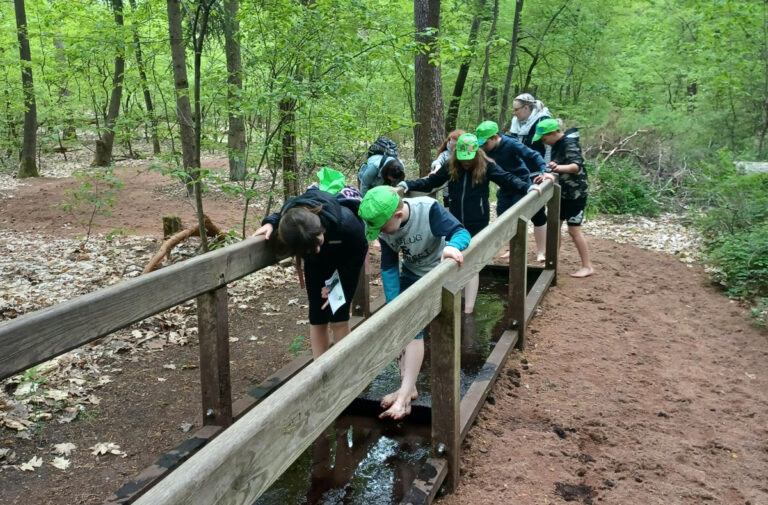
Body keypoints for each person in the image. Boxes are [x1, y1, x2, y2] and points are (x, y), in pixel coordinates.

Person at [358, 186, 470, 420]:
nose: (381, 234)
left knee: (413, 333)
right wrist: (393, 305)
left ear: (397, 215)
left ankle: (403, 398)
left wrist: (451, 247)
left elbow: (461, 233)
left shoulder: (428, 210)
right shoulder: (385, 227)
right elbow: (388, 267)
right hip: (410, 275)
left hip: (436, 275)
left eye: (382, 228)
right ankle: (408, 388)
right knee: (401, 330)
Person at [398, 133, 541, 313]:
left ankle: (468, 309)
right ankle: (456, 298)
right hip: (456, 221)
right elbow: (431, 183)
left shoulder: (486, 166)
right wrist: (408, 185)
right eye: (462, 158)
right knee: (456, 259)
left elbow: (507, 179)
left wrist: (527, 186)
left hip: (477, 220)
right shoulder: (451, 166)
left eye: (469, 158)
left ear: (476, 154)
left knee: (472, 262)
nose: (466, 162)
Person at [253, 169, 369, 358]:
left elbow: (358, 254)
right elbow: (282, 215)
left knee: (338, 313)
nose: (315, 249)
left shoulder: (347, 224)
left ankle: (344, 368)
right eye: (309, 248)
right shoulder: (294, 219)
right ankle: (319, 370)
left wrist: (336, 285)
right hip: (316, 265)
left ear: (320, 228)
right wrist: (270, 223)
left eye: (318, 242)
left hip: (344, 261)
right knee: (317, 315)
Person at [476, 120, 549, 261]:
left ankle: (541, 251)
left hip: (522, 184)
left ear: (495, 137)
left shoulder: (511, 144)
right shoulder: (484, 150)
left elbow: (533, 155)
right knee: (504, 217)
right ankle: (513, 248)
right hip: (505, 187)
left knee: (532, 216)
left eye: (485, 143)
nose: (483, 147)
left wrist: (544, 170)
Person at [532, 118, 594, 278]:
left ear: (553, 133)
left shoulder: (569, 144)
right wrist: (549, 171)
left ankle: (587, 266)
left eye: (544, 139)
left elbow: (575, 166)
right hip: (562, 193)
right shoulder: (556, 145)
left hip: (575, 195)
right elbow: (557, 164)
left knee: (574, 230)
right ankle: (552, 261)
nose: (544, 143)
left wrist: (557, 168)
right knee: (555, 228)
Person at [509, 93, 552, 161]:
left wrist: (546, 168)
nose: (514, 113)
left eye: (516, 110)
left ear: (526, 108)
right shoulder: (515, 122)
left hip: (539, 167)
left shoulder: (543, 121)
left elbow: (549, 148)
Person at [429, 129, 465, 207]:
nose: (452, 143)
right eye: (451, 141)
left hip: (463, 192)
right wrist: (437, 167)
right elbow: (437, 162)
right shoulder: (445, 154)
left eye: (455, 141)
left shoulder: (467, 154)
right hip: (448, 193)